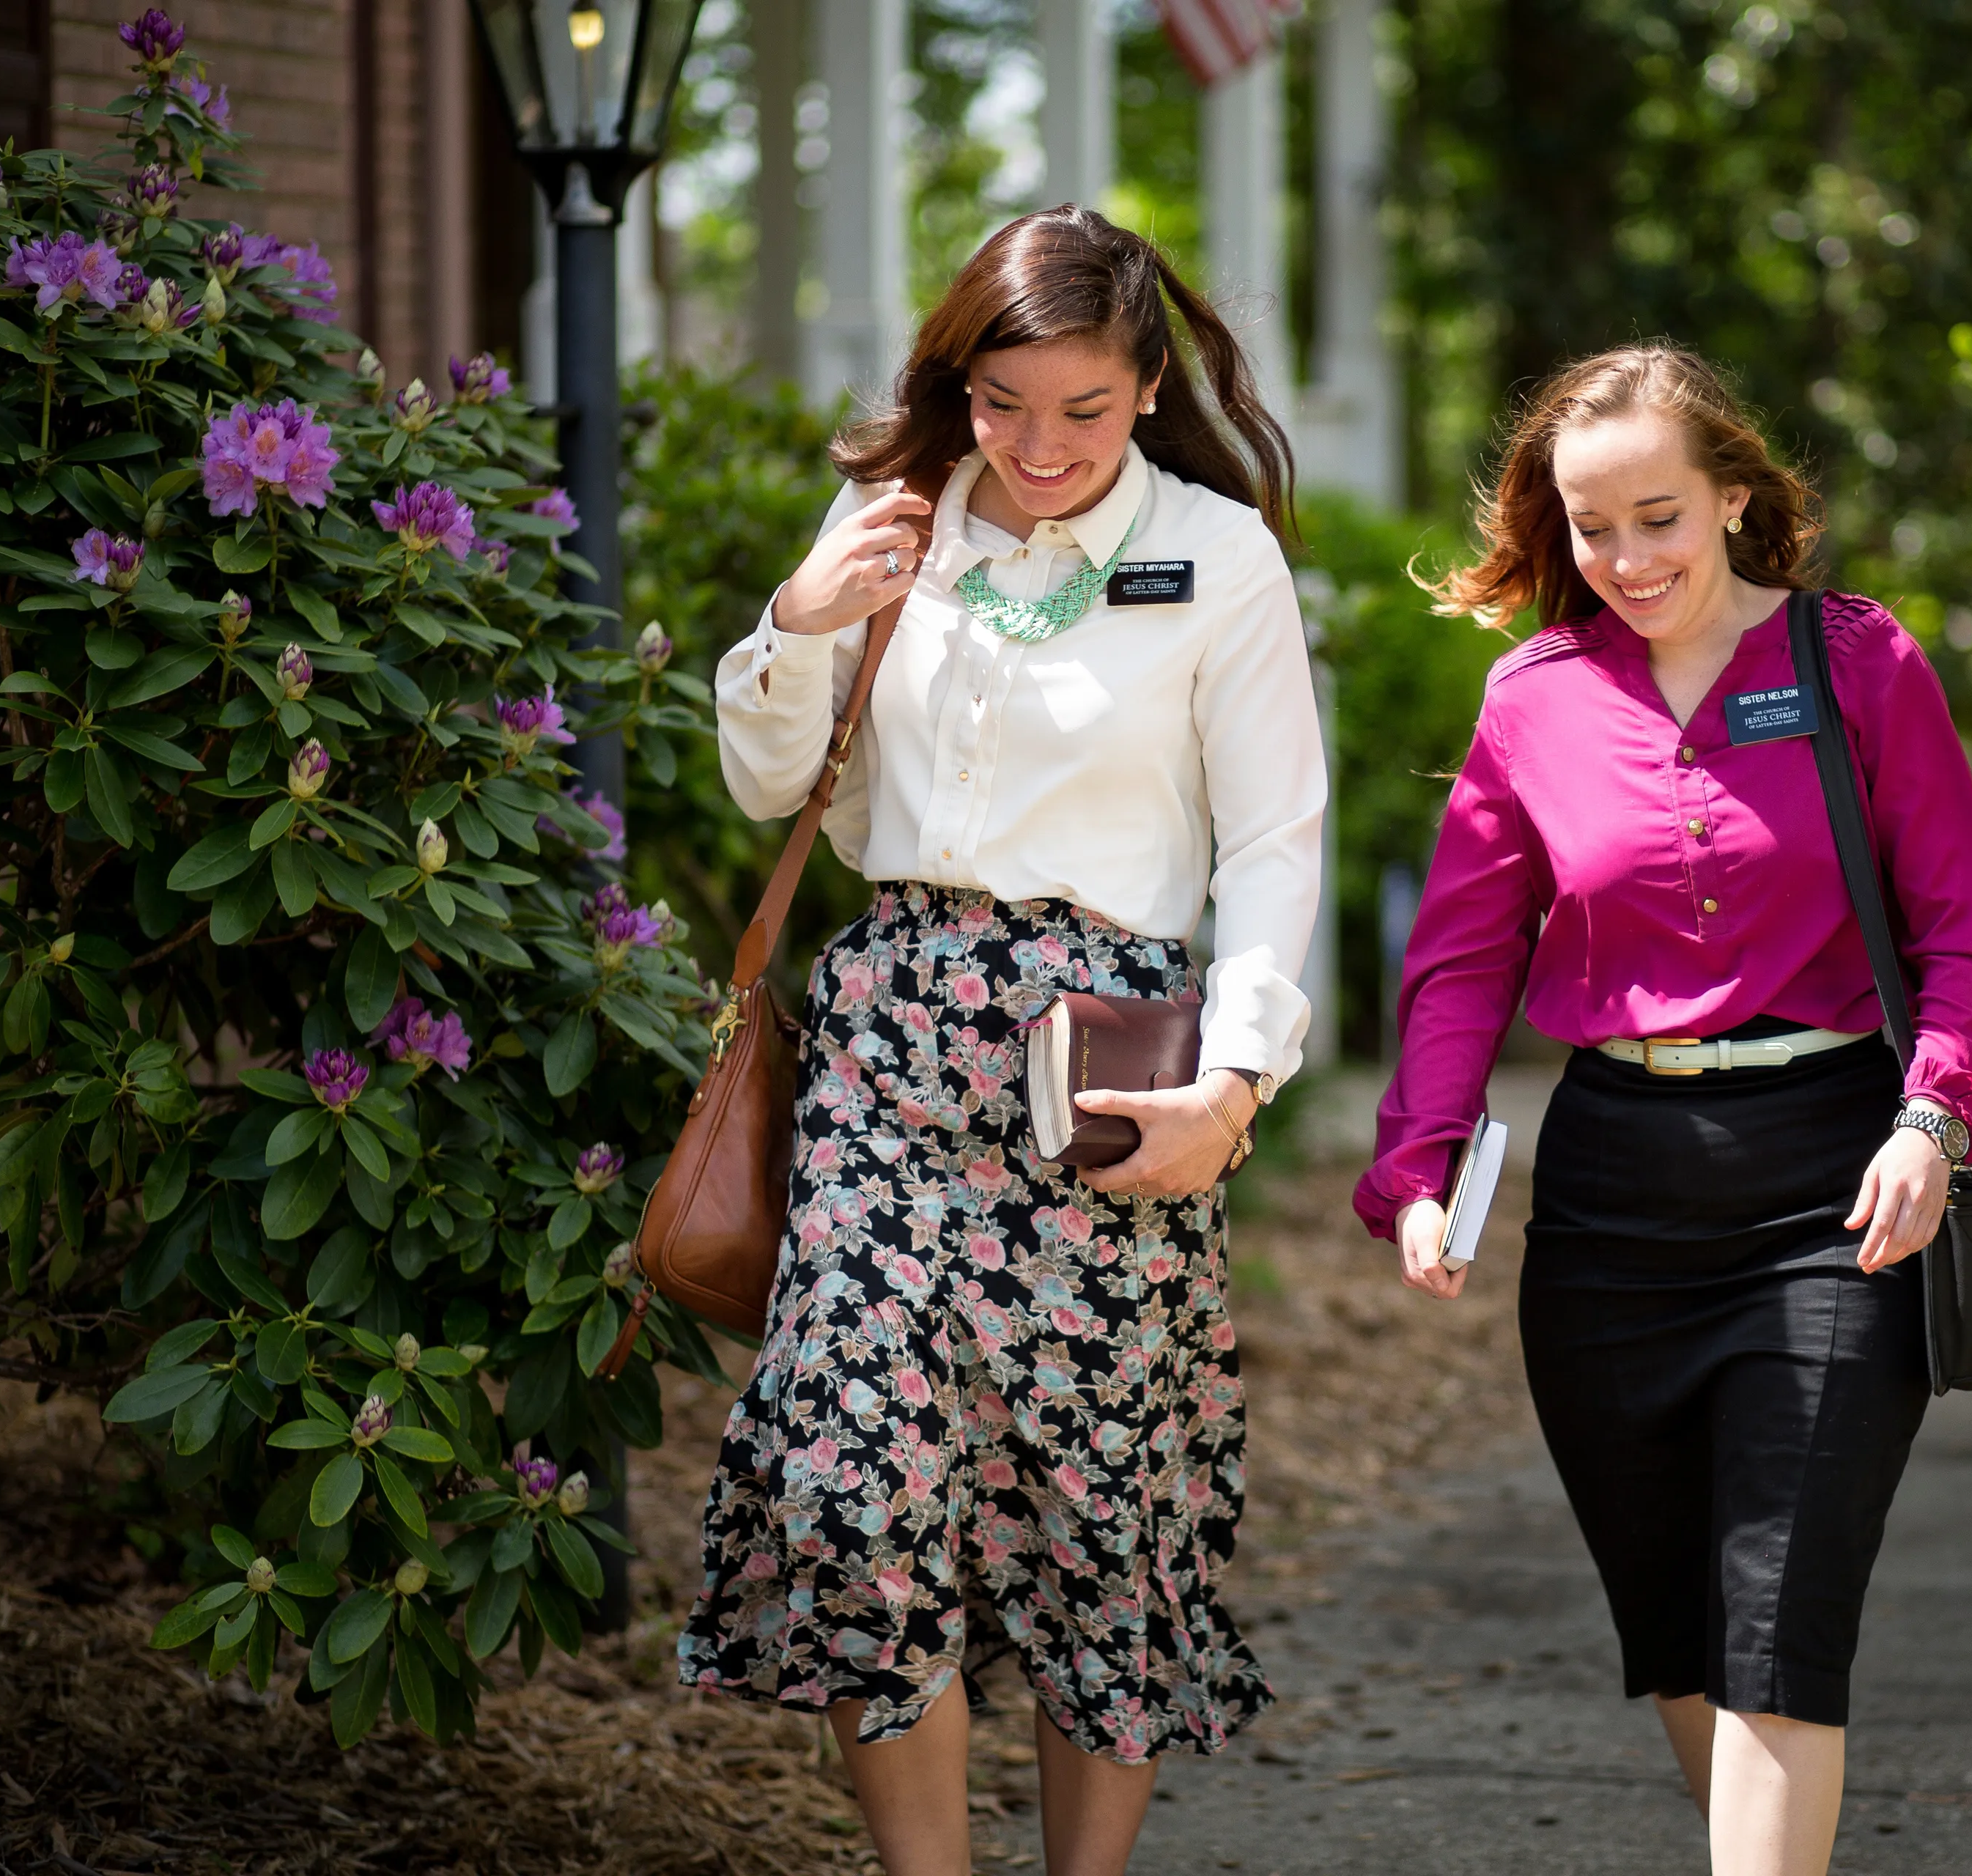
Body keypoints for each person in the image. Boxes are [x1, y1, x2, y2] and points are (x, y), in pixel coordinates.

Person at [686, 204, 1326, 1876]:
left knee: (1100, 1523)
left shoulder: (1219, 554)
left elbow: (1273, 847)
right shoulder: (891, 523)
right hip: (888, 1045)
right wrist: (798, 612)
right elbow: (769, 786)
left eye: (1084, 410)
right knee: (851, 1492)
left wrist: (1237, 1082)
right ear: (955, 379)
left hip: (1110, 1076)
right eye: (1001, 399)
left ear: (1145, 392)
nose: (1037, 445)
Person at [1354, 344, 1972, 1876]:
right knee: (1680, 1629)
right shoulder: (1530, 699)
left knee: (1779, 1619)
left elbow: (1969, 934)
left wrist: (1935, 1118)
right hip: (1609, 1206)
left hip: (1835, 1181)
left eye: (1659, 516)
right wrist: (1419, 1163)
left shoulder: (1861, 665)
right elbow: (1465, 957)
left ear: (1736, 495)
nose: (1627, 559)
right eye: (1592, 528)